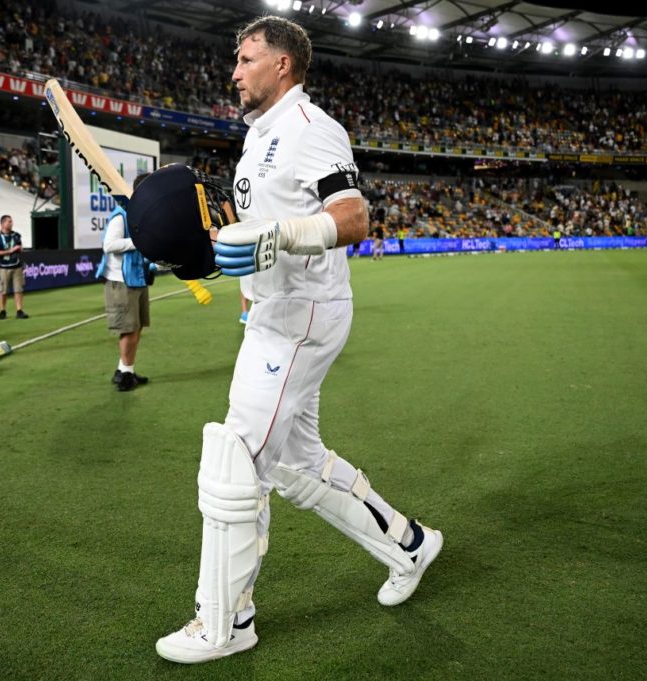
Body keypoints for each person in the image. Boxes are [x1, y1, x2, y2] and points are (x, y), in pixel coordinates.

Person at [155, 17, 442, 664]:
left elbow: (353, 217)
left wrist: (280, 236)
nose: (234, 71)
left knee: (237, 457)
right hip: (273, 312)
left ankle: (226, 621)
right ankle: (410, 544)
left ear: (282, 64)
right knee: (295, 462)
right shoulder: (257, 136)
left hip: (301, 316)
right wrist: (196, 242)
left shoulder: (312, 128)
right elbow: (255, 230)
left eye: (246, 59)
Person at [97, 174, 151, 392]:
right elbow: (109, 245)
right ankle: (126, 375)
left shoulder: (140, 214)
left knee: (136, 328)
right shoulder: (121, 214)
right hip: (121, 280)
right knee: (129, 330)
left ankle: (125, 370)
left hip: (136, 277)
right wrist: (139, 242)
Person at [0, 215, 28, 319]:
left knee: (18, 289)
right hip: (3, 267)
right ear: (3, 223)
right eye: (9, 221)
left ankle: (19, 310)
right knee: (3, 290)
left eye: (11, 221)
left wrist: (19, 249)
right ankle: (2, 310)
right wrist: (10, 251)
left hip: (16, 265)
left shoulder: (16, 235)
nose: (11, 223)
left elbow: (20, 248)